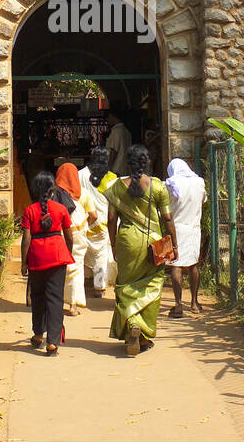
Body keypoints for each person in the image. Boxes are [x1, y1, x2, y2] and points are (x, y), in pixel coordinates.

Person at [104, 144, 177, 356]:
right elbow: (168, 219)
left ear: (128, 162)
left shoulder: (116, 186)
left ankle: (131, 328)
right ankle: (142, 333)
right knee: (152, 286)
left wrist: (114, 244)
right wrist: (173, 243)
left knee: (125, 285)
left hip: (126, 241)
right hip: (154, 244)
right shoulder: (157, 187)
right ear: (147, 162)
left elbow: (111, 220)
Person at [20, 171, 75, 355]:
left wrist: (24, 262)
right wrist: (68, 251)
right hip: (57, 255)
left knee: (38, 297)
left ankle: (38, 334)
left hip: (37, 257)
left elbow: (26, 238)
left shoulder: (29, 210)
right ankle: (52, 342)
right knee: (55, 298)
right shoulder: (61, 209)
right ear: (52, 191)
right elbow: (68, 234)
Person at [164, 158, 207, 316]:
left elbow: (164, 205)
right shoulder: (199, 182)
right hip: (194, 227)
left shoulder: (169, 184)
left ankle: (178, 304)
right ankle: (194, 302)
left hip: (175, 228)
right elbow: (203, 200)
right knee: (193, 264)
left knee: (176, 265)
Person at [78, 146, 117, 296]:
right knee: (101, 255)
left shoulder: (80, 174)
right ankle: (99, 287)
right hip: (103, 222)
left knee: (83, 251)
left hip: (83, 220)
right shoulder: (112, 178)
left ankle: (83, 282)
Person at [52, 163, 91, 316]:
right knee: (76, 266)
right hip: (79, 234)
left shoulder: (52, 195)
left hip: (58, 235)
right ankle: (73, 305)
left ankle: (56, 301)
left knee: (58, 268)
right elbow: (93, 215)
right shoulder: (84, 194)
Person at [104, 109, 132, 178]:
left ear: (112, 117)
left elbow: (114, 150)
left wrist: (109, 167)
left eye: (108, 118)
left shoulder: (116, 131)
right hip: (126, 169)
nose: (107, 121)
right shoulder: (127, 131)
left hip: (116, 170)